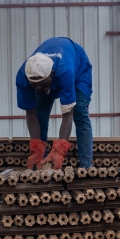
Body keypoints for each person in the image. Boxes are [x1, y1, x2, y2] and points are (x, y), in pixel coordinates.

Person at [16, 37, 93, 171]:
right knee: (40, 117)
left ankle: (86, 167)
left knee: (79, 111)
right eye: (35, 86)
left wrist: (59, 150)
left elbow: (67, 114)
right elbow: (31, 113)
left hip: (78, 69)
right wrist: (35, 148)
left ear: (52, 74)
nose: (39, 89)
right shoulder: (23, 77)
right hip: (51, 76)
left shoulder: (65, 72)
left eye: (42, 85)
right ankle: (41, 164)